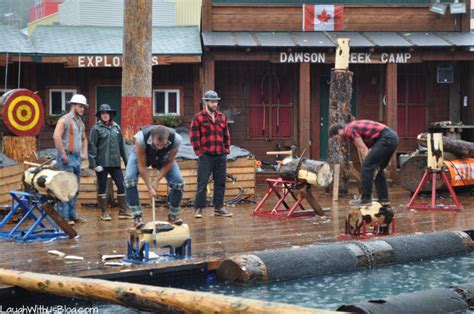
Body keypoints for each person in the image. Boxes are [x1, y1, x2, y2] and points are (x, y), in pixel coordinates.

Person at [124, 125, 185, 229]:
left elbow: (170, 161)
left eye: (163, 144)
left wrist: (156, 181)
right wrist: (149, 187)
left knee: (179, 183)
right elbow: (142, 166)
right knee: (129, 180)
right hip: (142, 155)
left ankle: (173, 215)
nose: (160, 147)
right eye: (157, 144)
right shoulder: (141, 139)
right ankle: (137, 217)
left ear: (167, 139)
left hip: (163, 157)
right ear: (152, 138)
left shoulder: (176, 139)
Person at [329, 119, 399, 206]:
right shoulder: (352, 130)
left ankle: (365, 198)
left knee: (366, 166)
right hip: (392, 138)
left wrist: (367, 165)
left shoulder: (348, 129)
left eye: (337, 138)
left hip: (386, 137)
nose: (339, 141)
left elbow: (363, 149)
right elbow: (366, 150)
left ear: (339, 130)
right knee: (378, 169)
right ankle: (384, 199)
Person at [190, 90, 233, 218]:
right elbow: (194, 136)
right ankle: (198, 209)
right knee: (202, 182)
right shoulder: (198, 117)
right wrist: (199, 152)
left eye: (216, 102)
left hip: (220, 154)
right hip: (206, 155)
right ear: (206, 102)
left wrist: (226, 150)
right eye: (212, 102)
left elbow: (226, 135)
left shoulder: (222, 117)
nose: (215, 104)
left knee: (220, 182)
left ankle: (218, 207)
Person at [88, 104, 132, 221]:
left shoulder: (116, 128)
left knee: (121, 185)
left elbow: (122, 146)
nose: (105, 115)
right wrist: (94, 164)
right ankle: (104, 212)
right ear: (100, 115)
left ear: (111, 114)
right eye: (103, 113)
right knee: (102, 186)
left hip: (115, 163)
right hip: (101, 164)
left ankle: (123, 211)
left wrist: (128, 163)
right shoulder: (96, 129)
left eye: (107, 113)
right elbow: (92, 146)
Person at [52, 94, 89, 225]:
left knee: (75, 187)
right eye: (80, 106)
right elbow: (56, 136)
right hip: (66, 156)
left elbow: (84, 139)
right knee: (65, 187)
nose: (82, 109)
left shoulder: (80, 122)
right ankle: (64, 216)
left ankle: (72, 215)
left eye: (83, 107)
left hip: (77, 157)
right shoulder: (64, 120)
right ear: (73, 105)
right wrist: (62, 154)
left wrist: (84, 153)